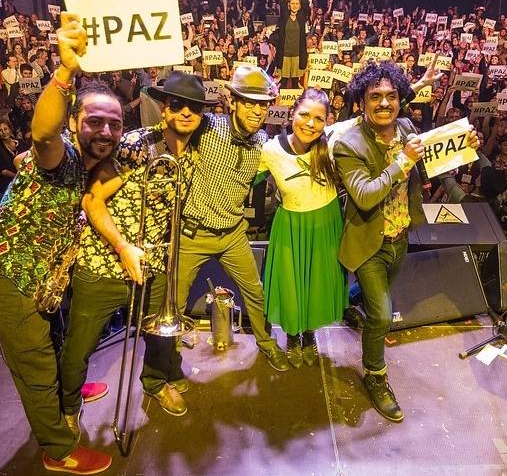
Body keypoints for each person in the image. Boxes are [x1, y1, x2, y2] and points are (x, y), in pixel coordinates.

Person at [0, 13, 121, 474]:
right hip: (13, 277)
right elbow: (42, 132)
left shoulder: (92, 162)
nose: (105, 132)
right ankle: (57, 448)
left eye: (114, 124)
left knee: (51, 342)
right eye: (94, 121)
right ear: (75, 122)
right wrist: (65, 72)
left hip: (44, 282)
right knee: (32, 362)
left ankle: (60, 397)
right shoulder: (57, 153)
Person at [59, 72, 215, 423]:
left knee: (159, 335)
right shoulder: (136, 147)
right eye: (177, 105)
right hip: (104, 265)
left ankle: (155, 382)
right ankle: (67, 409)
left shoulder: (196, 152)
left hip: (155, 264)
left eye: (194, 107)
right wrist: (123, 247)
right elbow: (92, 200)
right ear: (164, 109)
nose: (186, 113)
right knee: (79, 347)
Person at [333, 60, 478, 422]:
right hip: (369, 241)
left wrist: (463, 147)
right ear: (361, 102)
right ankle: (376, 376)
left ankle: (347, 301)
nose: (384, 103)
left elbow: (430, 161)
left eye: (391, 96)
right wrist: (401, 161)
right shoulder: (348, 145)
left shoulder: (407, 127)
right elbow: (365, 196)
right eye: (375, 97)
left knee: (370, 295)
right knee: (381, 314)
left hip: (400, 235)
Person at [175, 65, 289, 372]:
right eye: (249, 102)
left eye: (263, 104)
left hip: (233, 234)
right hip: (193, 234)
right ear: (232, 102)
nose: (257, 110)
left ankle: (266, 343)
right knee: (174, 301)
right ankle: (167, 363)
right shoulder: (209, 126)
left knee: (255, 291)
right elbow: (175, 120)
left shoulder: (262, 141)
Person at [258, 88, 348, 368]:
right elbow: (241, 178)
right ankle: (292, 337)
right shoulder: (270, 150)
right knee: (292, 284)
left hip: (326, 223)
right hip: (291, 226)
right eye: (304, 115)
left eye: (319, 119)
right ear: (291, 114)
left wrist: (416, 89)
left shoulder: (333, 139)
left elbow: (375, 118)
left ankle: (309, 336)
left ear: (327, 121)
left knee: (316, 284)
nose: (311, 123)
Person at [273, 0, 311, 89]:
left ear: (300, 6)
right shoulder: (285, 14)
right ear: (289, 5)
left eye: (297, 3)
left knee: (295, 83)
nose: (294, 5)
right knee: (283, 83)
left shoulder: (301, 15)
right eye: (292, 3)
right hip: (284, 54)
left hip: (297, 55)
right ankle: (283, 107)